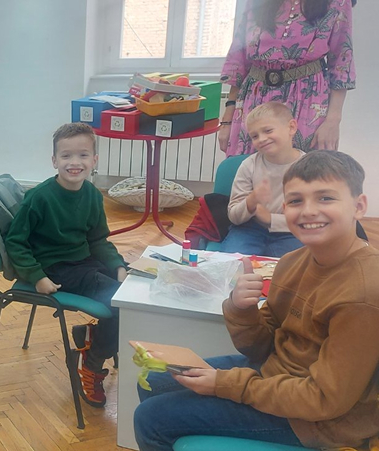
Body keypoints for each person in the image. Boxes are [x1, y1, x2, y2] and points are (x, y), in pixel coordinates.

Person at [134, 151, 379, 451]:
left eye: (325, 198)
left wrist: (225, 385)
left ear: (359, 206)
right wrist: (242, 308)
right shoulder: (292, 262)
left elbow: (325, 400)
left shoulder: (363, 293)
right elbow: (262, 348)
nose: (308, 211)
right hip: (278, 374)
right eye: (296, 201)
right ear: (284, 208)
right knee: (156, 380)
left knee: (151, 419)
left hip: (319, 421)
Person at [3, 122, 126, 408]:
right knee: (122, 304)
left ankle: (90, 335)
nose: (74, 162)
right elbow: (15, 242)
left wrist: (117, 265)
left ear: (94, 160)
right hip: (56, 268)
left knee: (135, 290)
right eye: (66, 156)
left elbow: (97, 239)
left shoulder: (92, 194)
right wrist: (36, 276)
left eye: (83, 155)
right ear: (54, 160)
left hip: (85, 261)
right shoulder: (39, 197)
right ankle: (90, 362)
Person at [219, 0, 356, 156]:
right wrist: (227, 120)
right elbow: (238, 59)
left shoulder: (337, 2)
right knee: (247, 166)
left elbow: (341, 62)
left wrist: (333, 121)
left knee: (301, 167)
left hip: (306, 101)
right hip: (254, 99)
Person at [221, 102, 305, 257]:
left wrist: (271, 219)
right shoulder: (249, 166)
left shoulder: (309, 168)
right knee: (234, 263)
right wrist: (251, 201)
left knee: (291, 266)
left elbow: (311, 218)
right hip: (249, 229)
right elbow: (234, 217)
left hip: (291, 231)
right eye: (254, 136)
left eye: (268, 131)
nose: (261, 139)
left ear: (291, 127)